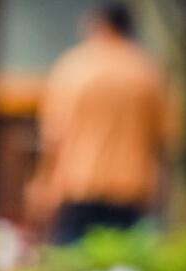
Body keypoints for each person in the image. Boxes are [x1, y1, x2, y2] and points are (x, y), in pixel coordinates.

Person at [28, 2, 172, 245]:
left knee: (71, 266)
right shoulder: (148, 71)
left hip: (79, 182)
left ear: (100, 25)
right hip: (133, 186)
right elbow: (164, 136)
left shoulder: (74, 67)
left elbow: (53, 135)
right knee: (123, 269)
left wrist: (42, 182)